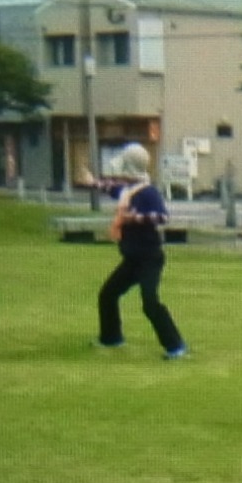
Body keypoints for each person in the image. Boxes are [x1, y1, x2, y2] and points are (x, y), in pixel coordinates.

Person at [96, 144, 188, 358]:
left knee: (150, 302)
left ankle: (176, 346)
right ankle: (111, 338)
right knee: (108, 294)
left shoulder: (148, 192)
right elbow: (109, 187)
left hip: (149, 258)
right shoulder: (127, 191)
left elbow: (162, 217)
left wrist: (135, 219)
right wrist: (92, 181)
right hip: (132, 258)